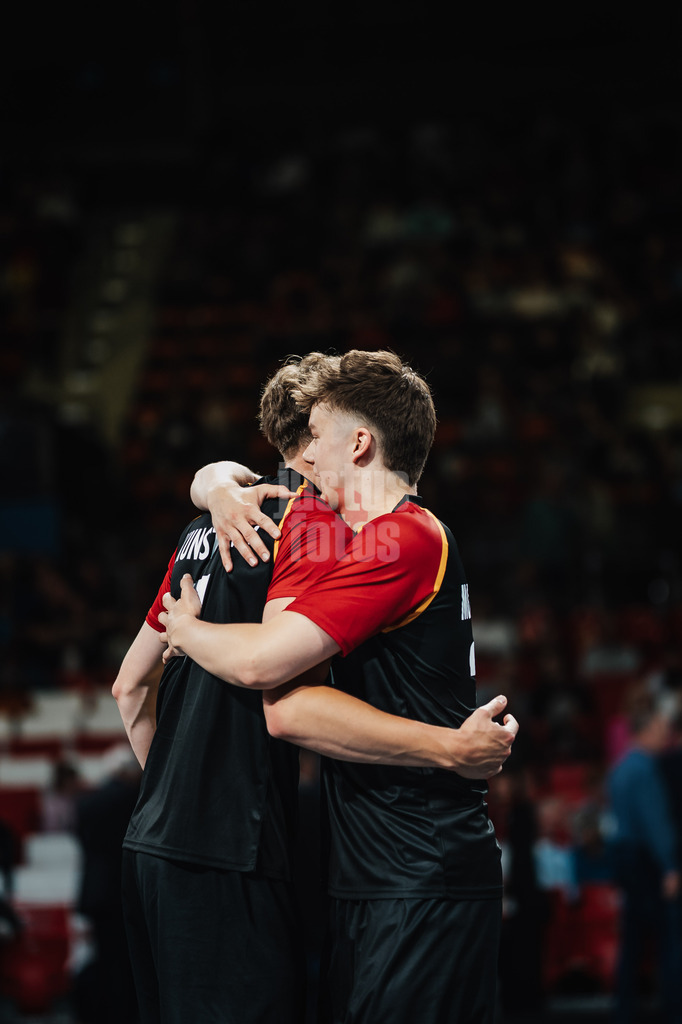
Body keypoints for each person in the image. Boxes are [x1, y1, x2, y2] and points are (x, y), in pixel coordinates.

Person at [115, 352, 516, 1024]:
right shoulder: (334, 532)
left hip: (417, 868)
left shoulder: (397, 537)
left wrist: (188, 627)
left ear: (358, 443)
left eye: (320, 433)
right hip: (362, 872)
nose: (308, 457)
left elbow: (268, 687)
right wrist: (214, 485)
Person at [608, 686, 682, 1024]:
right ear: (646, 729)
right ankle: (672, 1009)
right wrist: (670, 866)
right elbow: (656, 822)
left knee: (633, 940)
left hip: (624, 857)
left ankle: (625, 1010)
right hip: (645, 861)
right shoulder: (645, 769)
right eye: (659, 729)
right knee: (669, 940)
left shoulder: (621, 767)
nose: (665, 735)